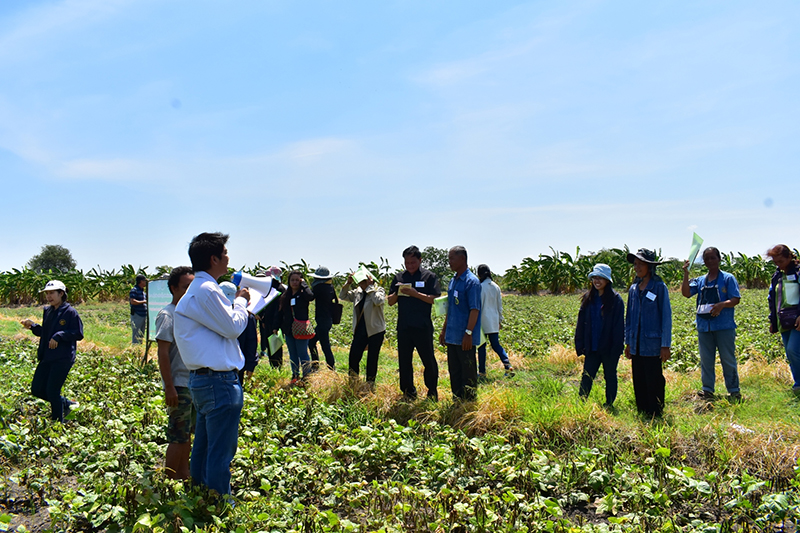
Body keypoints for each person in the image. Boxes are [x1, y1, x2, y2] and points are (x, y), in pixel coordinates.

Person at [173, 232, 250, 497]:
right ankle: (219, 505)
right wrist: (241, 302)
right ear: (214, 258)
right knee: (220, 452)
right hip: (218, 382)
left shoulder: (198, 290)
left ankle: (201, 498)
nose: (228, 258)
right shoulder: (206, 289)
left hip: (203, 380)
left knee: (204, 447)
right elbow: (232, 327)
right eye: (225, 253)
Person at [681, 247, 742, 401]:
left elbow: (736, 299)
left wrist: (722, 305)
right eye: (707, 259)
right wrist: (686, 273)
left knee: (727, 359)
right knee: (706, 360)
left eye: (712, 258)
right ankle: (707, 390)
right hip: (704, 326)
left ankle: (734, 390)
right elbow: (686, 293)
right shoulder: (700, 280)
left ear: (719, 259)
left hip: (724, 326)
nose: (710, 261)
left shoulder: (728, 278)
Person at [20, 280, 84, 423]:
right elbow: (46, 332)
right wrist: (32, 326)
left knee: (52, 391)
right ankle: (68, 404)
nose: (49, 297)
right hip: (47, 355)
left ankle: (58, 423)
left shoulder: (70, 312)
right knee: (36, 389)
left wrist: (59, 336)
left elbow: (78, 333)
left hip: (63, 357)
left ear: (61, 294)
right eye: (47, 293)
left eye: (52, 293)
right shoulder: (48, 311)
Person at [155, 266, 195, 480]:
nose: (189, 292)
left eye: (192, 287)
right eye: (184, 287)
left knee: (186, 433)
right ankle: (169, 480)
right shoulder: (168, 314)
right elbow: (162, 353)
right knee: (178, 436)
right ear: (173, 288)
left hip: (192, 382)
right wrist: (169, 387)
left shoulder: (187, 313)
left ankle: (184, 472)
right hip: (179, 384)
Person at [388, 246, 441, 400]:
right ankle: (408, 391)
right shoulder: (399, 278)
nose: (410, 265)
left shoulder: (429, 277)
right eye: (407, 262)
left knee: (428, 360)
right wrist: (398, 292)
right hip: (404, 327)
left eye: (413, 262)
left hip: (422, 326)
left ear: (420, 260)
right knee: (404, 361)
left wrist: (415, 294)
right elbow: (390, 302)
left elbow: (435, 299)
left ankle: (432, 391)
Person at [624, 248, 672, 419]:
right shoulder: (634, 289)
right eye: (635, 264)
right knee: (639, 378)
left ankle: (656, 411)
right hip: (636, 343)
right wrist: (628, 342)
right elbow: (629, 317)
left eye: (640, 264)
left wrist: (665, 345)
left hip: (653, 344)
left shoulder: (659, 287)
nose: (637, 267)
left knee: (654, 379)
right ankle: (642, 409)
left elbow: (666, 317)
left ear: (650, 266)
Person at [574, 264, 625, 408]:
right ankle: (581, 402)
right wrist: (580, 343)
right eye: (595, 278)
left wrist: (617, 347)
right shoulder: (588, 298)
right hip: (592, 345)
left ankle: (609, 403)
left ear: (607, 281)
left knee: (610, 376)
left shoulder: (615, 300)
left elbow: (618, 326)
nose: (597, 281)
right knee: (587, 375)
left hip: (609, 347)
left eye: (601, 278)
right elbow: (581, 323)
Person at [438, 246, 481, 401]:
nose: (449, 262)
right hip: (452, 336)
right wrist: (444, 331)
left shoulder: (472, 282)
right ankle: (457, 400)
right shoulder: (453, 281)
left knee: (468, 372)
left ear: (462, 259)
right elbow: (450, 308)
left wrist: (468, 333)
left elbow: (474, 309)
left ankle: (469, 403)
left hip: (465, 337)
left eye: (451, 259)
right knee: (454, 371)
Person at [340, 271, 386, 388]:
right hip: (360, 329)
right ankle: (353, 382)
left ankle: (370, 384)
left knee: (372, 359)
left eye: (363, 281)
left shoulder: (378, 290)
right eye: (359, 281)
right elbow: (343, 296)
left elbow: (378, 301)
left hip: (375, 330)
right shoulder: (357, 292)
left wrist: (370, 288)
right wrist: (348, 283)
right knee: (354, 357)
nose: (361, 283)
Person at [766, 244, 800, 393]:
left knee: (794, 349)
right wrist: (773, 321)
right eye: (775, 262)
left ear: (789, 257)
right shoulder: (777, 276)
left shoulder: (798, 272)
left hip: (797, 319)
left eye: (780, 261)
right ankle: (798, 384)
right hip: (783, 320)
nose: (778, 265)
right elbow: (772, 299)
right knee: (790, 352)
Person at [273, 270, 315, 384]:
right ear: (289, 281)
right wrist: (276, 326)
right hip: (288, 329)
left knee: (303, 353)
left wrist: (304, 284)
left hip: (301, 329)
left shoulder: (303, 294)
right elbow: (280, 312)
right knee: (293, 354)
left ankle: (307, 376)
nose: (295, 282)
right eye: (292, 280)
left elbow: (311, 296)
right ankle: (295, 375)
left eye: (297, 280)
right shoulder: (285, 295)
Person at [476, 264, 514, 380]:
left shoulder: (480, 287)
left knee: (481, 346)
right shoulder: (496, 287)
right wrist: (500, 320)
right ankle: (507, 364)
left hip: (482, 321)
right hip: (493, 321)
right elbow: (499, 306)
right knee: (496, 345)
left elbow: (478, 306)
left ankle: (482, 372)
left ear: (480, 274)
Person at [220, 282, 259, 389]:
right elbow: (252, 342)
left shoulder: (245, 316)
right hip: (233, 363)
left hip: (232, 364)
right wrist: (251, 364)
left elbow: (251, 342)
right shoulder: (245, 315)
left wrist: (250, 364)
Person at [309, 266, 337, 370]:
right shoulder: (330, 287)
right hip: (327, 320)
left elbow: (310, 296)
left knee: (324, 345)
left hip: (322, 320)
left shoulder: (319, 288)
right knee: (313, 342)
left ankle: (329, 367)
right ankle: (318, 365)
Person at [257, 266, 285, 368]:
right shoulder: (271, 288)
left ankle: (277, 366)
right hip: (269, 321)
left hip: (275, 322)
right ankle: (274, 366)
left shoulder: (279, 289)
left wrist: (275, 326)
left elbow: (278, 310)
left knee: (275, 346)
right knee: (271, 345)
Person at [130, 274, 148, 344]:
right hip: (137, 314)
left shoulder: (143, 292)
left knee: (141, 332)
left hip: (143, 314)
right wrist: (144, 301)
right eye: (145, 281)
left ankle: (139, 346)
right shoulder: (134, 290)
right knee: (136, 332)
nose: (146, 283)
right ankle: (135, 348)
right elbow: (133, 301)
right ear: (141, 281)